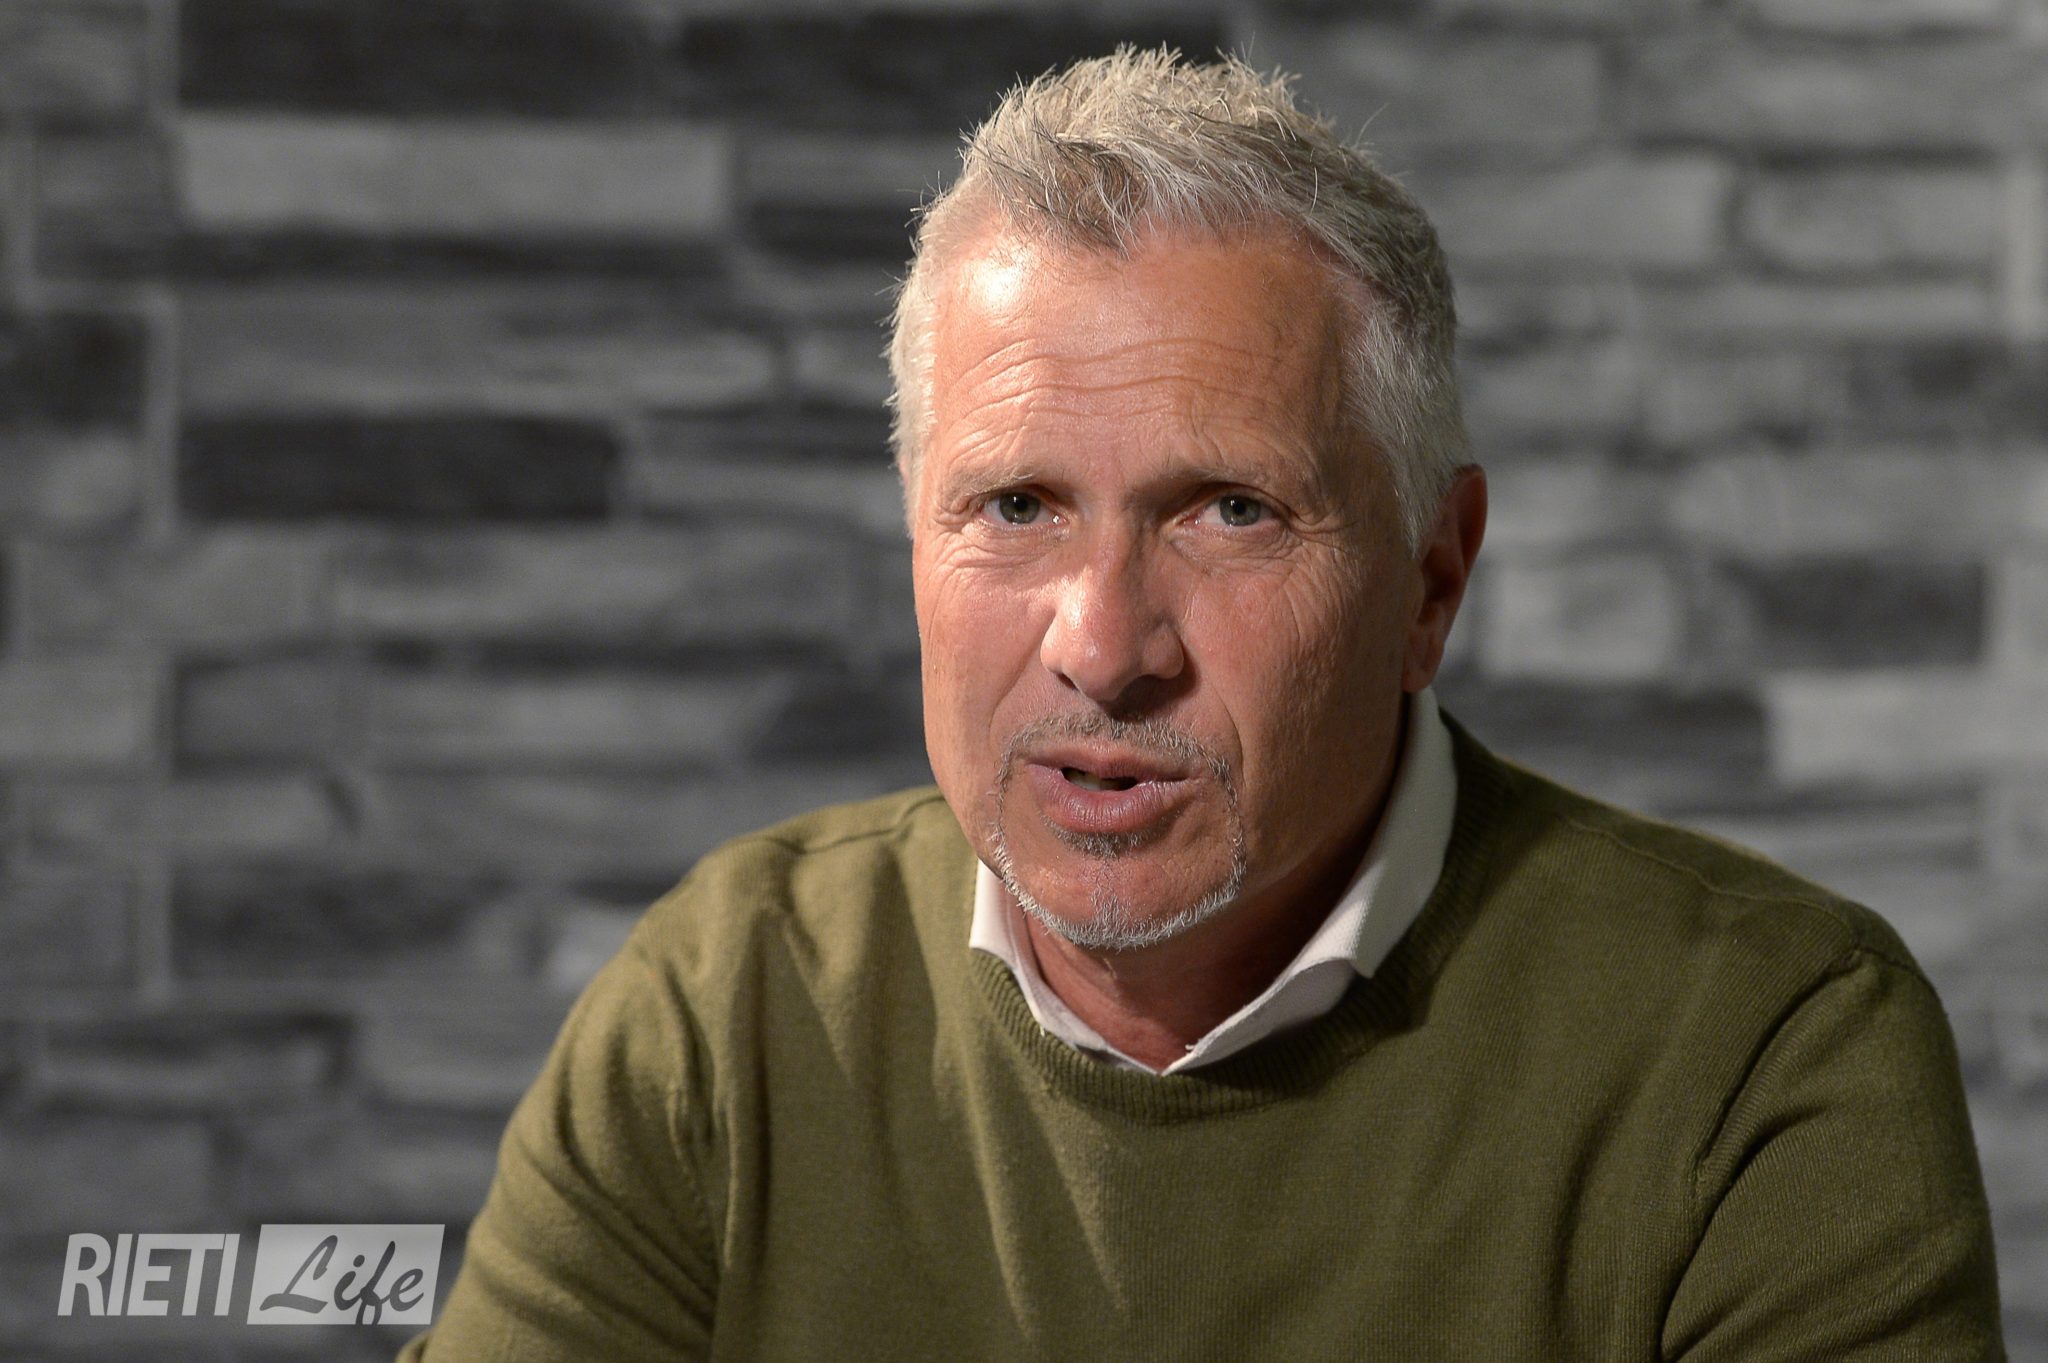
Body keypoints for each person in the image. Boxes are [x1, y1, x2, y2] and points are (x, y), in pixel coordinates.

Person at [401, 49, 2004, 1360]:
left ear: (1431, 582)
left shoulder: (1765, 1050)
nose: (1104, 647)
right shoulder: (731, 1003)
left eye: (1231, 512)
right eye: (1016, 506)